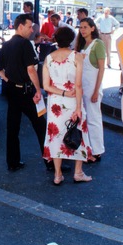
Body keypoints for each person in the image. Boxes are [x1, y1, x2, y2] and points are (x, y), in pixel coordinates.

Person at [0, 13, 49, 172]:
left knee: (13, 128)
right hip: (26, 92)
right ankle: (50, 161)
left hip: (12, 91)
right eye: (29, 26)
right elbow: (31, 70)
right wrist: (38, 89)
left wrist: (8, 80)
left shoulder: (7, 44)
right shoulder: (25, 44)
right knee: (40, 126)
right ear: (20, 26)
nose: (32, 30)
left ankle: (13, 163)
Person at [42, 26, 91, 184]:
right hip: (72, 101)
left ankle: (57, 175)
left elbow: (46, 86)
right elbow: (78, 85)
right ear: (71, 40)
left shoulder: (49, 58)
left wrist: (61, 93)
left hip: (55, 102)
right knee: (78, 133)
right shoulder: (77, 57)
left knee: (55, 137)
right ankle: (78, 172)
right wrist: (78, 107)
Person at [75, 18, 106, 164]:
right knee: (84, 119)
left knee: (94, 119)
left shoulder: (98, 44)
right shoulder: (81, 44)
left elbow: (101, 69)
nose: (83, 30)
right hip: (82, 87)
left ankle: (97, 150)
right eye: (81, 27)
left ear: (93, 28)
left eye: (86, 27)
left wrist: (96, 91)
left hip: (92, 87)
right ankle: (87, 148)